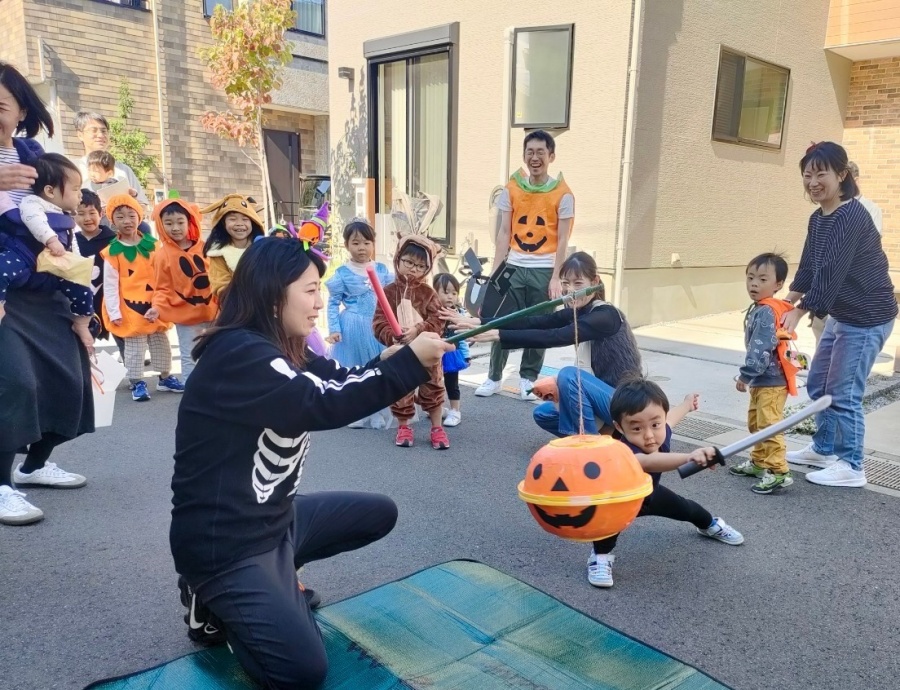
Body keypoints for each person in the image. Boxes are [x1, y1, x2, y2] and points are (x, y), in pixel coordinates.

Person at [169, 238, 453, 689]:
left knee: (379, 513)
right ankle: (214, 598)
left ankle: (275, 578)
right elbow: (322, 403)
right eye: (309, 290)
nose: (320, 303)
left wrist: (392, 360)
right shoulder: (239, 355)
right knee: (301, 672)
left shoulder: (287, 348)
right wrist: (408, 367)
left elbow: (341, 380)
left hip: (274, 520)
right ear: (272, 294)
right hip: (225, 545)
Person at [0, 62, 91, 526]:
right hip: (4, 288)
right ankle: (1, 484)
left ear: (21, 112)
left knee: (69, 379)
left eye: (1, 105)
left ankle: (34, 465)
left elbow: (64, 204)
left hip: (47, 285)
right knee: (15, 383)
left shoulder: (33, 154)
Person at [781, 142, 897, 488]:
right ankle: (824, 449)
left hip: (868, 316)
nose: (813, 182)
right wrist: (786, 302)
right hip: (844, 315)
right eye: (807, 175)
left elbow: (831, 273)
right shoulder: (818, 218)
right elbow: (809, 268)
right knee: (819, 383)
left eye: (821, 174)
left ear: (842, 175)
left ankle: (852, 465)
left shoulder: (851, 216)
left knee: (844, 392)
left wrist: (800, 311)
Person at [444, 252, 641, 437]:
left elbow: (554, 336)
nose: (570, 290)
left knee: (569, 376)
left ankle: (591, 447)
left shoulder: (605, 316)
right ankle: (605, 436)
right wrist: (480, 322)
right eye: (565, 283)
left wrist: (498, 335)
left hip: (626, 401)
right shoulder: (580, 310)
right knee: (544, 414)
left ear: (595, 282)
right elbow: (536, 322)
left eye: (578, 283)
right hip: (602, 397)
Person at [586, 378, 744, 588]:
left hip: (650, 494)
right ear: (619, 427)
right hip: (620, 502)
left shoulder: (661, 430)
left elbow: (670, 419)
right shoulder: (624, 452)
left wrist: (687, 404)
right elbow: (650, 461)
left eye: (655, 424)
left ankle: (709, 525)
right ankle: (599, 558)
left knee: (688, 509)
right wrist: (689, 457)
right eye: (636, 428)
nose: (649, 436)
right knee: (607, 532)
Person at [476, 130, 575, 400]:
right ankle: (494, 377)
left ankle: (527, 379)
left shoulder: (563, 195)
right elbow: (503, 234)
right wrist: (495, 274)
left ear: (551, 156)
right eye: (530, 152)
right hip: (513, 266)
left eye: (541, 152)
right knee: (501, 321)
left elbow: (563, 240)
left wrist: (557, 277)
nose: (535, 157)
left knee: (539, 325)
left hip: (545, 269)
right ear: (524, 155)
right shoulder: (512, 189)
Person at [0, 153, 94, 351]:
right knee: (2, 269)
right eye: (75, 189)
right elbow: (34, 219)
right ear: (50, 191)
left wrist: (77, 264)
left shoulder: (65, 216)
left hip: (55, 266)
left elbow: (72, 243)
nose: (80, 195)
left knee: (83, 288)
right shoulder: (33, 202)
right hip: (25, 256)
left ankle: (82, 322)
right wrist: (50, 239)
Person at [100, 194, 183, 402]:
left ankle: (165, 377)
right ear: (112, 221)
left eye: (131, 215)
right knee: (134, 348)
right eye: (120, 217)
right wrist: (114, 312)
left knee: (161, 343)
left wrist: (169, 301)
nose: (127, 221)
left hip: (156, 303)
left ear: (140, 216)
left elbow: (166, 274)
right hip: (130, 307)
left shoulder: (154, 246)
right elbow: (110, 285)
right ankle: (137, 381)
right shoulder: (112, 252)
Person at [373, 235, 449, 450]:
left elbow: (438, 321)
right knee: (400, 389)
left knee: (433, 387)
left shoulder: (428, 293)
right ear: (398, 259)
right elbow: (378, 323)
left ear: (427, 268)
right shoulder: (388, 292)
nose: (413, 269)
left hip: (428, 351)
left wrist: (418, 330)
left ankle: (437, 428)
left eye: (420, 266)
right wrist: (392, 335)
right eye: (409, 262)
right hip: (399, 352)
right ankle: (404, 427)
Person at [730, 253, 797, 494]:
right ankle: (759, 462)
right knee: (756, 423)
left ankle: (779, 472)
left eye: (762, 279)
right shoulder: (760, 308)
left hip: (771, 381)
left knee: (769, 426)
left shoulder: (767, 311)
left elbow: (761, 346)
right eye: (750, 278)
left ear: (778, 285)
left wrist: (746, 374)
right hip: (763, 380)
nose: (754, 284)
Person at [325, 218, 394, 428]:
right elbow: (333, 303)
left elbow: (391, 298)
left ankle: (377, 411)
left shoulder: (382, 270)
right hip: (352, 328)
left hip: (377, 327)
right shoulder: (342, 273)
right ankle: (355, 411)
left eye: (366, 242)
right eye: (355, 243)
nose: (361, 248)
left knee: (379, 369)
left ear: (373, 243)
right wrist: (334, 329)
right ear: (346, 245)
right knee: (356, 371)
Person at [809, 160, 885, 347]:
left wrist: (801, 308)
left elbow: (845, 257)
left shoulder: (864, 210)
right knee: (822, 344)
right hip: (829, 298)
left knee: (844, 354)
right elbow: (811, 261)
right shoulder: (823, 212)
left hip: (856, 303)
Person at [151, 198, 216, 383]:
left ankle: (216, 391)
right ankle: (191, 393)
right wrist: (157, 308)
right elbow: (162, 288)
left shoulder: (207, 248)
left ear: (190, 222)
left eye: (180, 222)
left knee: (216, 353)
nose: (175, 228)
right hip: (186, 318)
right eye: (169, 223)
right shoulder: (162, 255)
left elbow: (220, 278)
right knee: (190, 356)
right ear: (161, 225)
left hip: (214, 313)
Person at [72, 111, 149, 208]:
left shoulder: (123, 170)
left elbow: (142, 205)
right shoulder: (73, 169)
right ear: (80, 135)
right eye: (93, 130)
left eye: (104, 131)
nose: (100, 135)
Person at [201, 193, 265, 298]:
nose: (239, 223)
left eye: (245, 219)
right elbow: (220, 286)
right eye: (232, 219)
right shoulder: (217, 253)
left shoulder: (262, 247)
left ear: (253, 222)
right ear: (223, 223)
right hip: (235, 305)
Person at [74, 189, 117, 342]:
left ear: (101, 213)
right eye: (81, 213)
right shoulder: (71, 241)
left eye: (92, 213)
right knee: (83, 343)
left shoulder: (113, 241)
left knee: (124, 343)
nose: (87, 218)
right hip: (81, 303)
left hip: (111, 303)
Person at [433, 272, 470, 428]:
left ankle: (455, 411)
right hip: (434, 353)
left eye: (454, 293)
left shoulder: (458, 314)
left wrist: (466, 355)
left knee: (451, 383)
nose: (450, 297)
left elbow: (464, 337)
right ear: (434, 292)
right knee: (434, 383)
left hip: (451, 354)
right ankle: (439, 409)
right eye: (446, 292)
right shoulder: (431, 311)